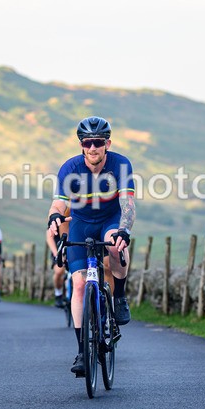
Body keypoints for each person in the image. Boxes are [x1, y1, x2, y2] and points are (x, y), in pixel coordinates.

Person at [47, 116, 136, 376]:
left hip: (109, 220)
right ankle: (82, 352)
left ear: (107, 143)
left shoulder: (120, 164)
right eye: (88, 143)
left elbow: (128, 204)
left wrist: (124, 229)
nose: (93, 148)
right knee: (77, 283)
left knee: (115, 247)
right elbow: (59, 203)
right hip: (81, 223)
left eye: (98, 142)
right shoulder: (70, 168)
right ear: (81, 145)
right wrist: (54, 216)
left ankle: (118, 295)